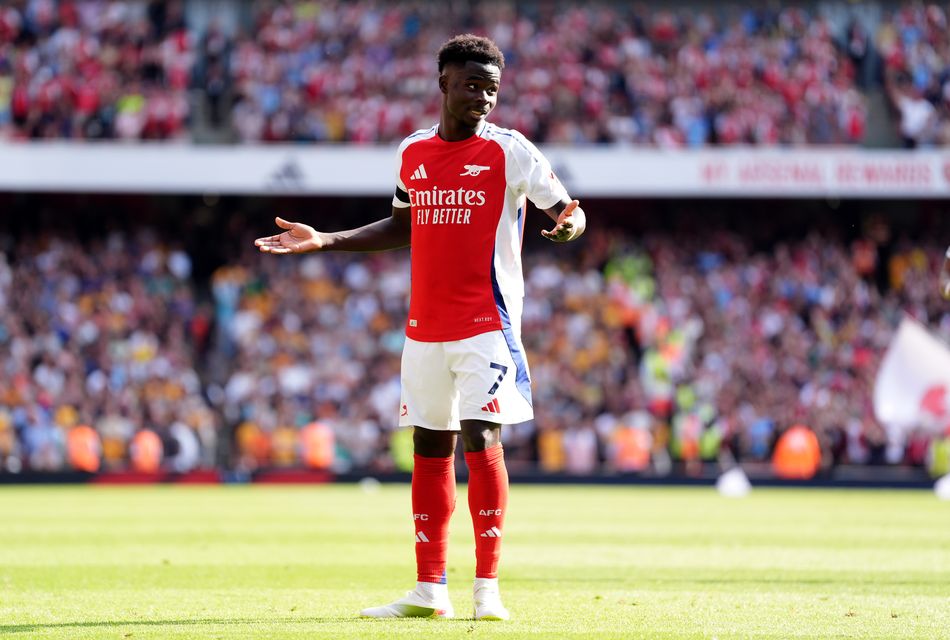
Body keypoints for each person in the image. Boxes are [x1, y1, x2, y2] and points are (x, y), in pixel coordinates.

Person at [254, 34, 586, 621]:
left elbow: (568, 208)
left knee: (482, 438)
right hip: (424, 329)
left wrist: (569, 226)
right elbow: (404, 223)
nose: (482, 97)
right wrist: (326, 239)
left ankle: (487, 590)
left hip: (488, 323)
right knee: (430, 447)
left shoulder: (511, 151)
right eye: (471, 85)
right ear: (443, 84)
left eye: (491, 88)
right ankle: (430, 589)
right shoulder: (412, 152)